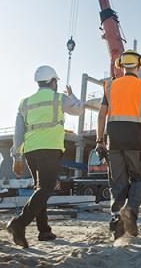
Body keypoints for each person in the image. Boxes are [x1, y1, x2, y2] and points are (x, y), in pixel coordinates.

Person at [7, 65, 86, 248]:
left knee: (39, 189)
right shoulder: (59, 98)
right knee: (46, 188)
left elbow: (18, 133)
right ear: (52, 82)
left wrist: (16, 156)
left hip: (30, 150)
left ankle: (44, 231)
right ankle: (19, 224)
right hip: (49, 149)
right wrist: (72, 96)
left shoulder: (25, 102)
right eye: (55, 82)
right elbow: (79, 110)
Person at [96, 50, 141, 240]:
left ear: (121, 65)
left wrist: (99, 140)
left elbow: (102, 115)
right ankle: (130, 212)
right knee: (140, 180)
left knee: (118, 183)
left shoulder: (110, 86)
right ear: (139, 66)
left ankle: (118, 222)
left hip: (114, 141)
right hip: (137, 141)